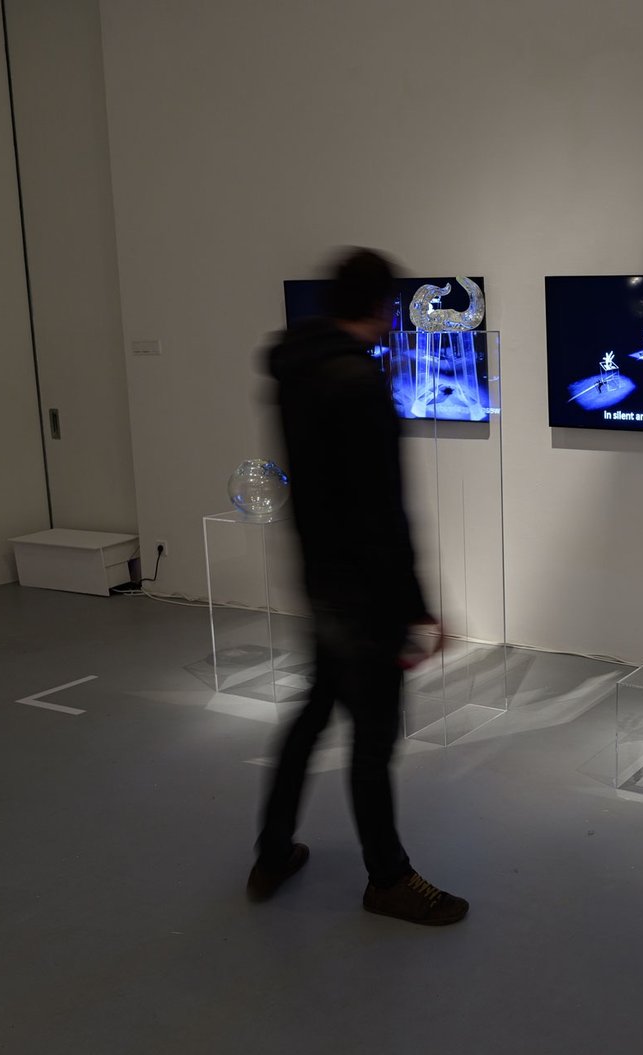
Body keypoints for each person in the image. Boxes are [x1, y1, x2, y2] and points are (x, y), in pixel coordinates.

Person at [245, 247, 468, 926]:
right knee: (372, 739)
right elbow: (384, 510)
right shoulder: (357, 382)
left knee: (313, 716)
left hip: (322, 581)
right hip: (366, 596)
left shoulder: (295, 368)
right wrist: (416, 609)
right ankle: (388, 878)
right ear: (384, 307)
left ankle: (273, 850)